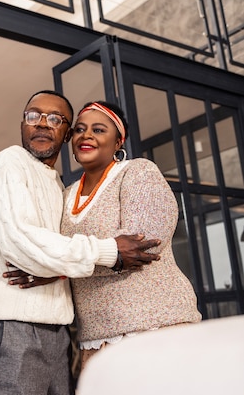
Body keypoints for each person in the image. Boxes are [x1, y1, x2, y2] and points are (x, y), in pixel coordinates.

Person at [0, 90, 161, 395]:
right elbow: (22, 243)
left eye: (55, 119)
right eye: (34, 115)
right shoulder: (9, 163)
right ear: (22, 122)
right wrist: (108, 251)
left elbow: (48, 254)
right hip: (14, 324)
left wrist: (52, 268)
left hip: (59, 332)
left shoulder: (58, 185)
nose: (42, 123)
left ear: (65, 133)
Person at [60, 100, 202, 370]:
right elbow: (54, 250)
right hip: (95, 338)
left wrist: (61, 264)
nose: (86, 135)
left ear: (118, 143)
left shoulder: (138, 172)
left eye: (99, 129)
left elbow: (140, 247)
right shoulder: (66, 194)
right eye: (79, 129)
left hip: (155, 327)